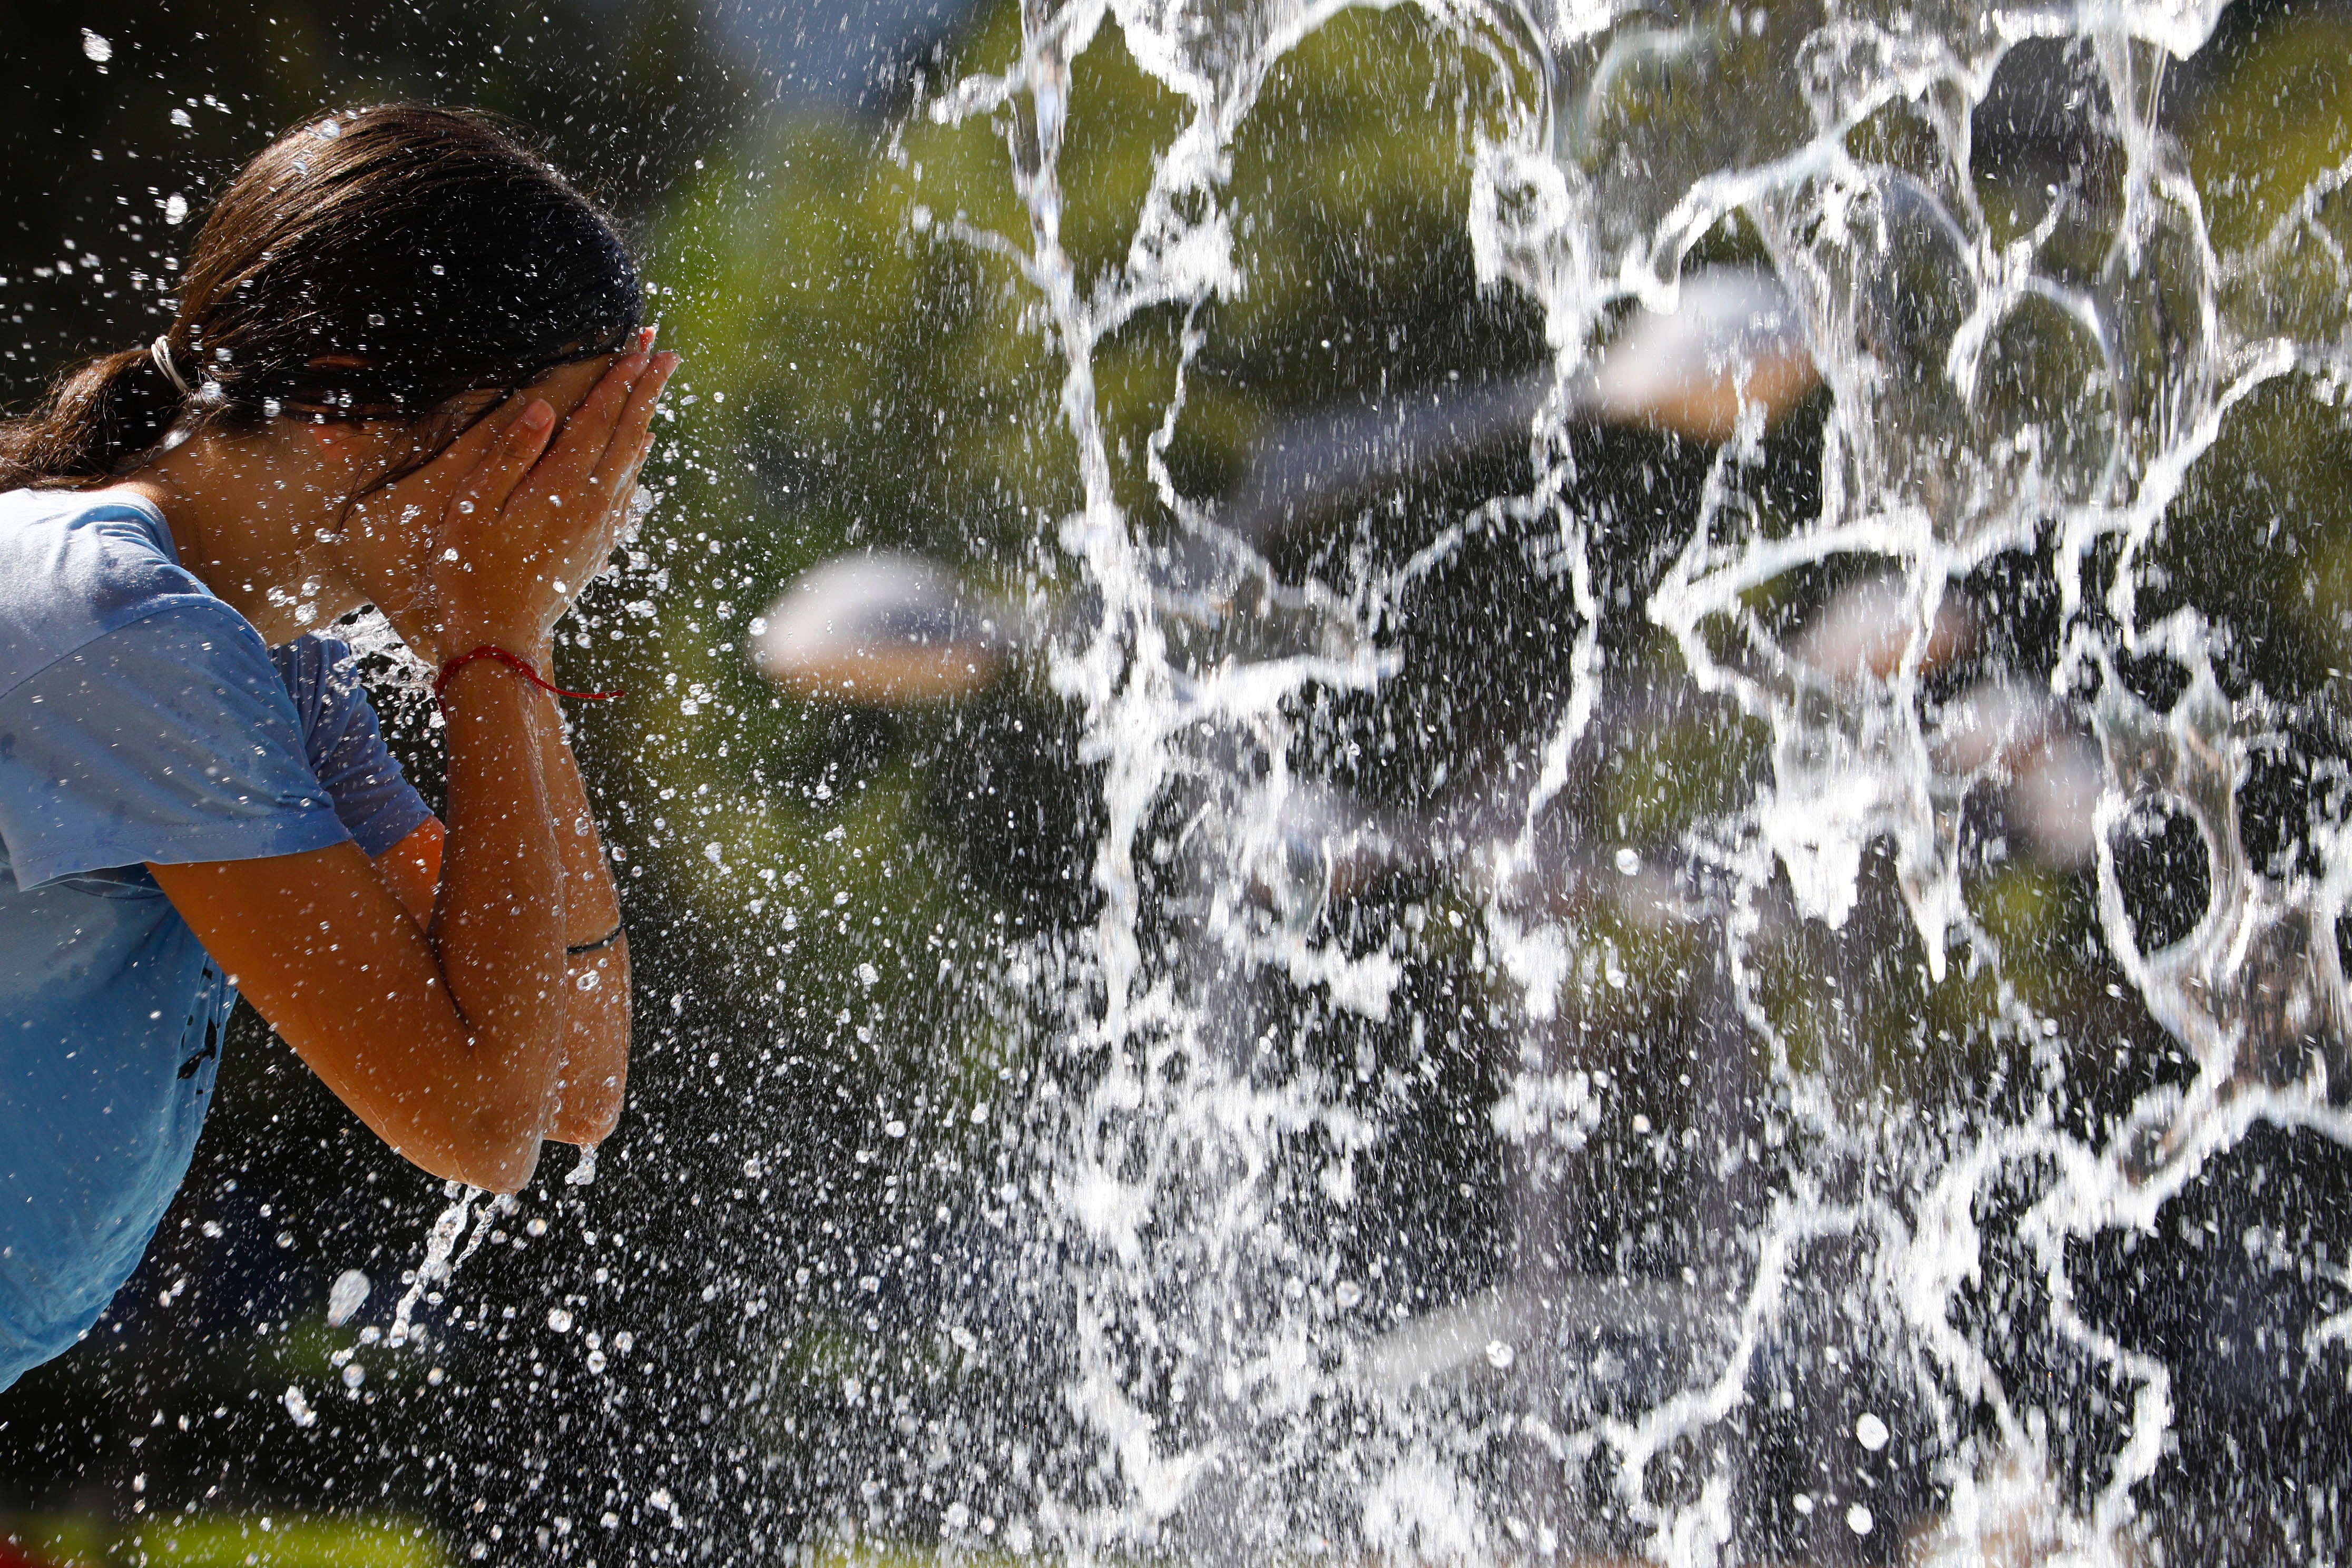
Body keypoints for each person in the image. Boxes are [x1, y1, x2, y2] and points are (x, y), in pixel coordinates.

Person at [0, 104, 679, 1391]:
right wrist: (496, 632)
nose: (584, 514)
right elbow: (475, 1118)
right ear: (346, 398)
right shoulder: (119, 624)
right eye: (546, 450)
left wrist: (502, 645)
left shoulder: (268, 654)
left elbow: (569, 1083)